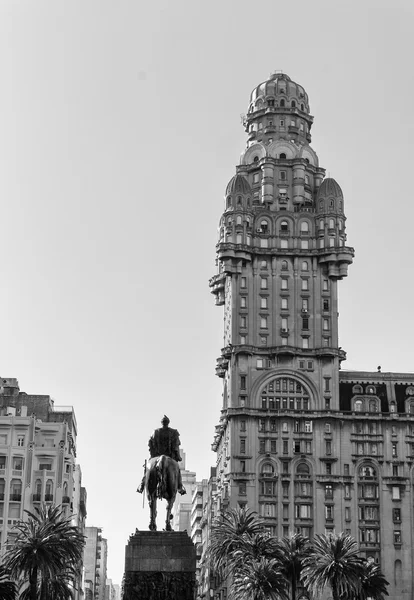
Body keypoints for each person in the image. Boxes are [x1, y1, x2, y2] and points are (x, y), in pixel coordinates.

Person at [137, 416, 186, 495]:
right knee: (177, 468)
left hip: (156, 456)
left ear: (162, 423)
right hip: (170, 457)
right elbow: (176, 445)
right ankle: (180, 486)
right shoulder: (174, 432)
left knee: (147, 468)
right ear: (168, 423)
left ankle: (142, 484)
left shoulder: (155, 432)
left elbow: (149, 443)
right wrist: (177, 456)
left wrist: (152, 454)